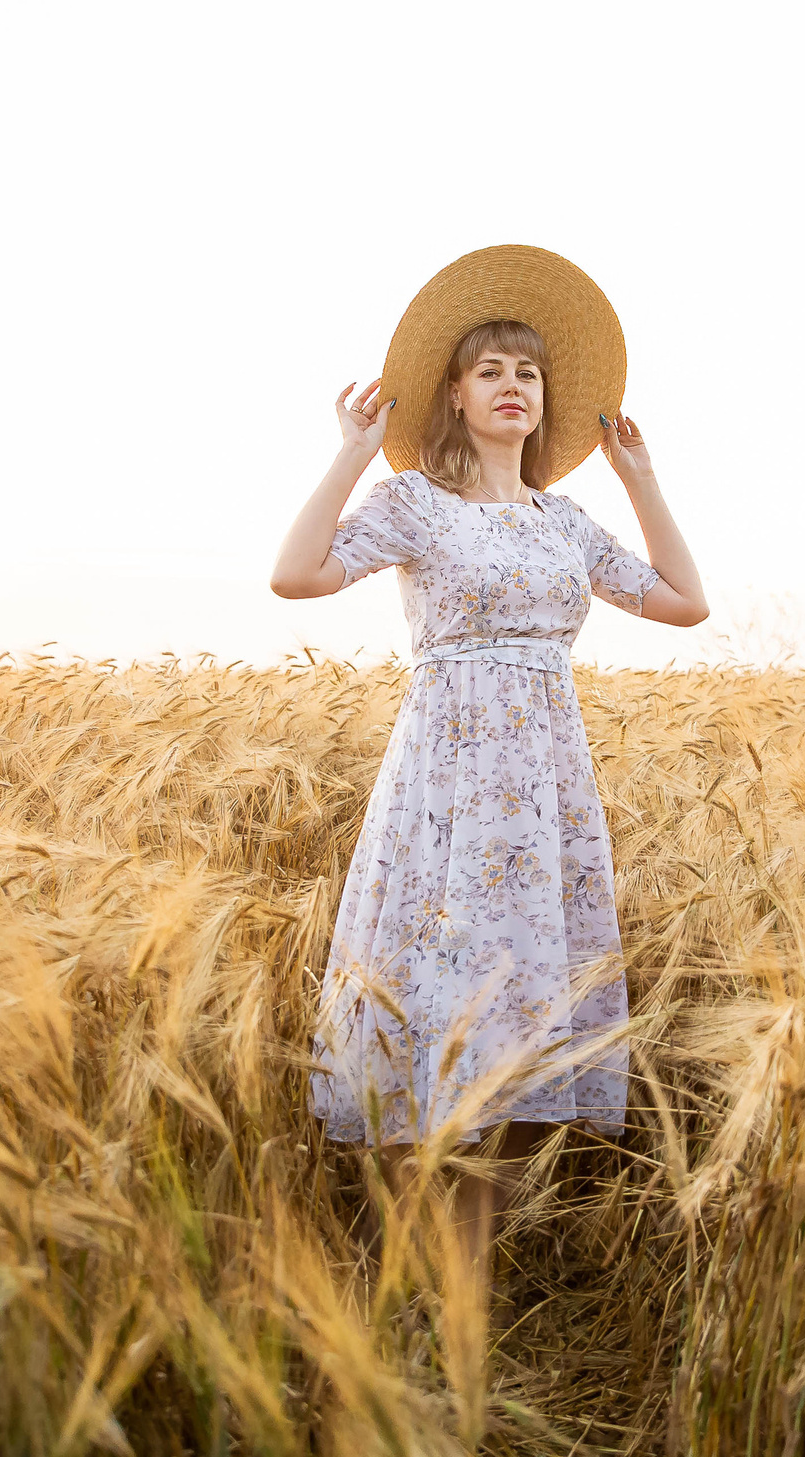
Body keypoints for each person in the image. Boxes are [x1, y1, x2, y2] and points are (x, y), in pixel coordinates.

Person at [268, 246, 708, 1284]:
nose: (515, 389)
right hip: (448, 778)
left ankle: (465, 1289)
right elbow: (297, 576)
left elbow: (684, 603)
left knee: (515, 1015)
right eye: (492, 373)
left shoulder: (566, 522)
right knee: (429, 997)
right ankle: (398, 1272)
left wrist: (641, 481)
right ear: (456, 398)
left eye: (530, 375)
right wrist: (351, 452)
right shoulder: (418, 504)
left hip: (543, 785)